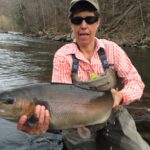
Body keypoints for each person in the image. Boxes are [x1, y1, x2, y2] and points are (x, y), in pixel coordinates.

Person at [18, 0, 150, 150]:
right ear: (71, 24)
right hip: (76, 122)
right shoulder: (63, 56)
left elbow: (135, 81)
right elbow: (58, 98)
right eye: (77, 20)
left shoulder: (112, 50)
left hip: (113, 114)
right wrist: (42, 122)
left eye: (90, 19)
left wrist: (121, 96)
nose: (83, 25)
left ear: (98, 22)